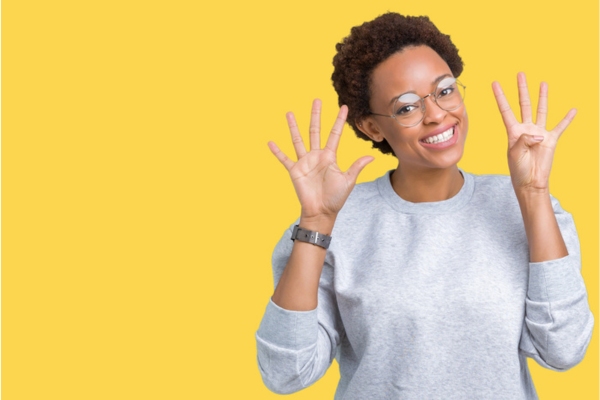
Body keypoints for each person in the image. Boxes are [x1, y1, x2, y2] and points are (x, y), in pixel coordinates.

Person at [255, 13, 593, 399]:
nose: (436, 115)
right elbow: (285, 373)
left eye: (445, 90)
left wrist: (533, 194)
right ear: (372, 128)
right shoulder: (333, 225)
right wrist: (316, 222)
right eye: (406, 107)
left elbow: (564, 350)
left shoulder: (527, 207)